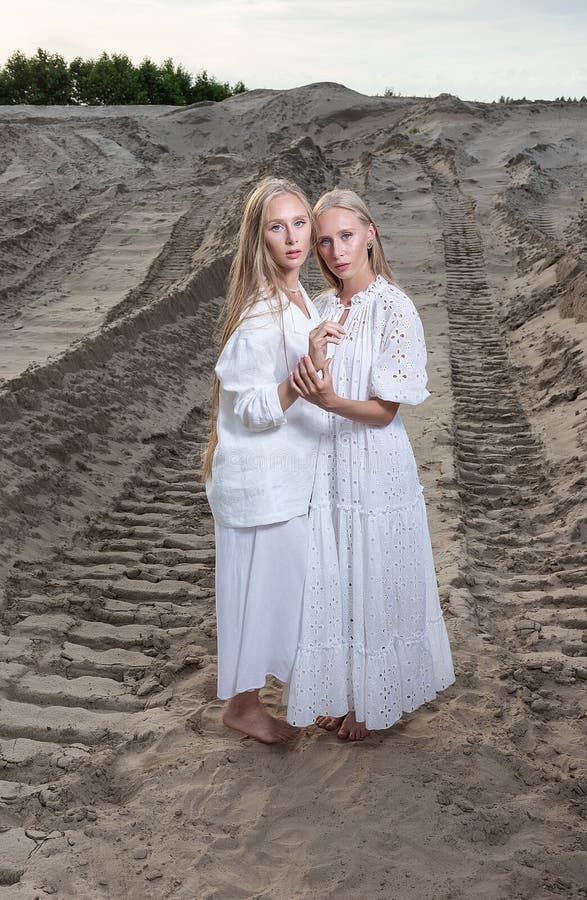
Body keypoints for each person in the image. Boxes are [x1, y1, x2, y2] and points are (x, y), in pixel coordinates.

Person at [286, 188, 456, 740]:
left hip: (374, 463)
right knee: (333, 573)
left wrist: (330, 401)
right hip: (326, 462)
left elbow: (384, 412)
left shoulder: (395, 307)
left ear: (370, 234)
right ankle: (340, 690)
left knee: (374, 574)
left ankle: (375, 698)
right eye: (326, 241)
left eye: (347, 236)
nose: (336, 252)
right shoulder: (321, 306)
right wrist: (311, 358)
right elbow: (305, 382)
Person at [203, 177, 344, 744]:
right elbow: (255, 409)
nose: (292, 238)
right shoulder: (260, 313)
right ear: (257, 238)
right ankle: (243, 707)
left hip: (289, 476)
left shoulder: (302, 296)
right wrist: (295, 381)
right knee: (256, 595)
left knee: (289, 592)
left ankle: (304, 695)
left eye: (299, 224)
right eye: (276, 226)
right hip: (259, 481)